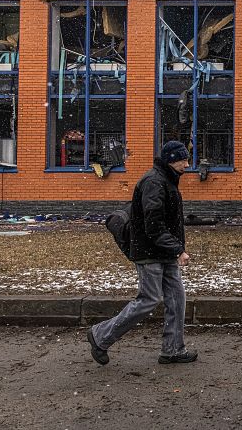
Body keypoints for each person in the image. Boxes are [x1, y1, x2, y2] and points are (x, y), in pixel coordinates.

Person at [87, 140, 197, 365]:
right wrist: (178, 249)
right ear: (171, 160)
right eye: (183, 160)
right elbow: (153, 225)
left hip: (163, 251)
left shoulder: (166, 179)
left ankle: (173, 350)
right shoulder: (154, 182)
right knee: (148, 300)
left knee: (177, 298)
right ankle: (100, 336)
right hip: (149, 252)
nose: (187, 164)